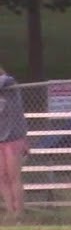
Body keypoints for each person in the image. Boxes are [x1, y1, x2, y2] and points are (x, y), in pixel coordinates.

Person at [0, 66, 26, 221]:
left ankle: (19, 213)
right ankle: (9, 212)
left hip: (13, 138)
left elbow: (5, 79)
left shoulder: (9, 84)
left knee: (14, 176)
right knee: (2, 177)